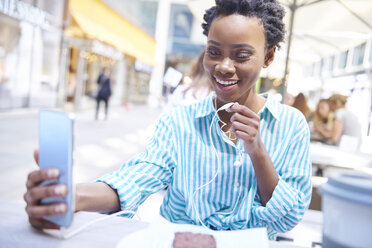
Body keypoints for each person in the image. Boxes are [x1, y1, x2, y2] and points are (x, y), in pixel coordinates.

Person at [24, 0, 311, 240]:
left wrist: (257, 152)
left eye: (242, 55)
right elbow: (137, 178)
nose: (223, 66)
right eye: (213, 52)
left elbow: (288, 219)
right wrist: (73, 197)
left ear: (268, 56)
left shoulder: (291, 125)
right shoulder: (179, 122)